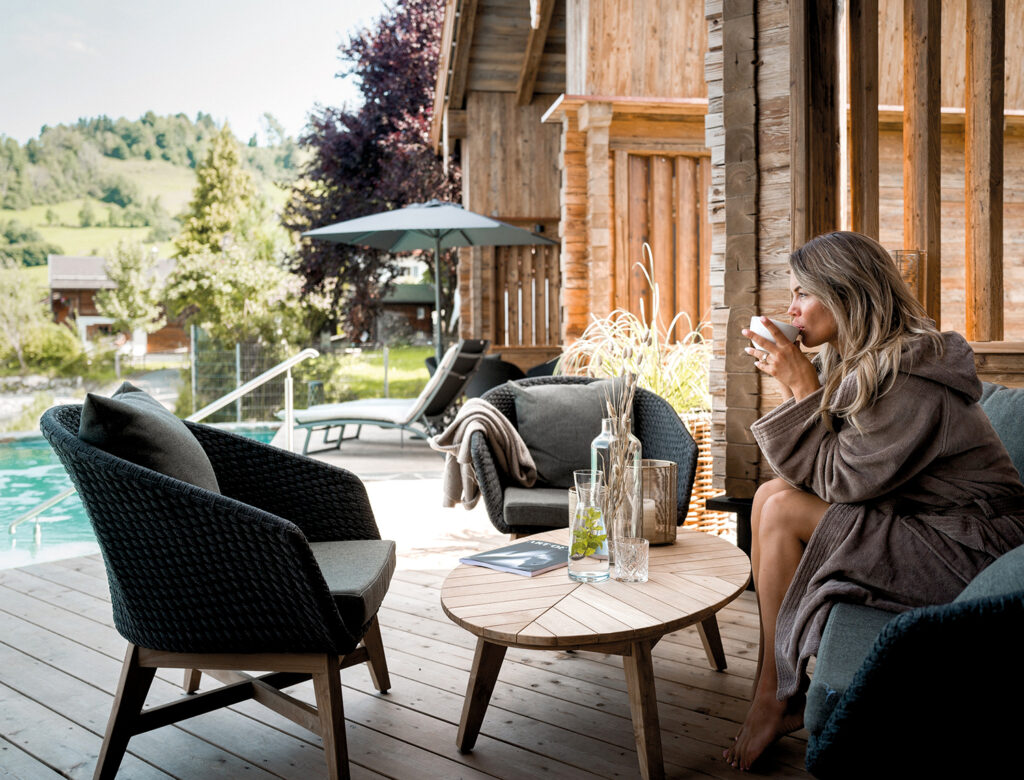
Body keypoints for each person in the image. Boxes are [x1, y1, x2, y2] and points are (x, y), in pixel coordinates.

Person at [723, 231, 1024, 771]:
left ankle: (773, 696)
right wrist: (799, 385)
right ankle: (774, 687)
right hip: (921, 521)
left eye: (803, 294)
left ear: (846, 293)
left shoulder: (912, 376)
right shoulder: (859, 361)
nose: (791, 310)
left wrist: (802, 388)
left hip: (972, 548)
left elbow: (840, 483)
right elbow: (815, 474)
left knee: (783, 511)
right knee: (770, 495)